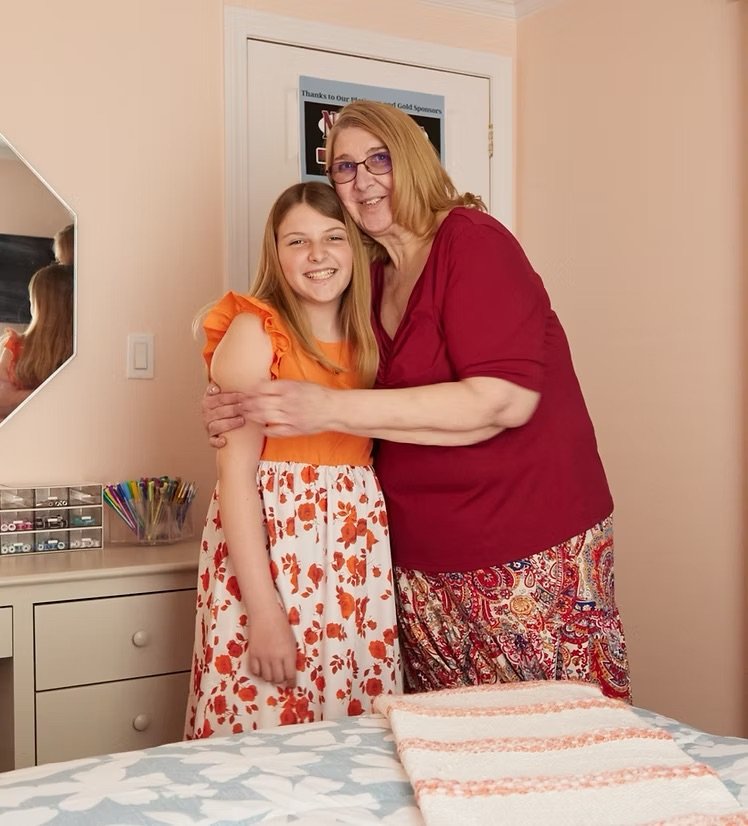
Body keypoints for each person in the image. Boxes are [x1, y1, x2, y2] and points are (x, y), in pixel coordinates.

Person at [202, 100, 631, 702]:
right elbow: (316, 382)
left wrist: (325, 408)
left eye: (379, 159)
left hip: (526, 542)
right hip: (410, 563)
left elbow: (500, 402)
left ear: (413, 160)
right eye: (344, 168)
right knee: (446, 752)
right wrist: (233, 403)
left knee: (556, 739)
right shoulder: (368, 279)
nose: (363, 179)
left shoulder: (473, 243)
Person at [184, 181, 402, 739]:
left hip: (353, 558)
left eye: (334, 237)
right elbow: (235, 482)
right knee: (265, 716)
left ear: (357, 247)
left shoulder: (373, 336)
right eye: (297, 241)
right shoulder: (257, 332)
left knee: (353, 731)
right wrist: (263, 613)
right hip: (273, 561)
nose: (317, 255)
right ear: (275, 254)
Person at [0, 263, 74, 420]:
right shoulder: (75, 349)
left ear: (38, 305)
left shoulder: (14, 347)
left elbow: (3, 400)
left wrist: (21, 397)